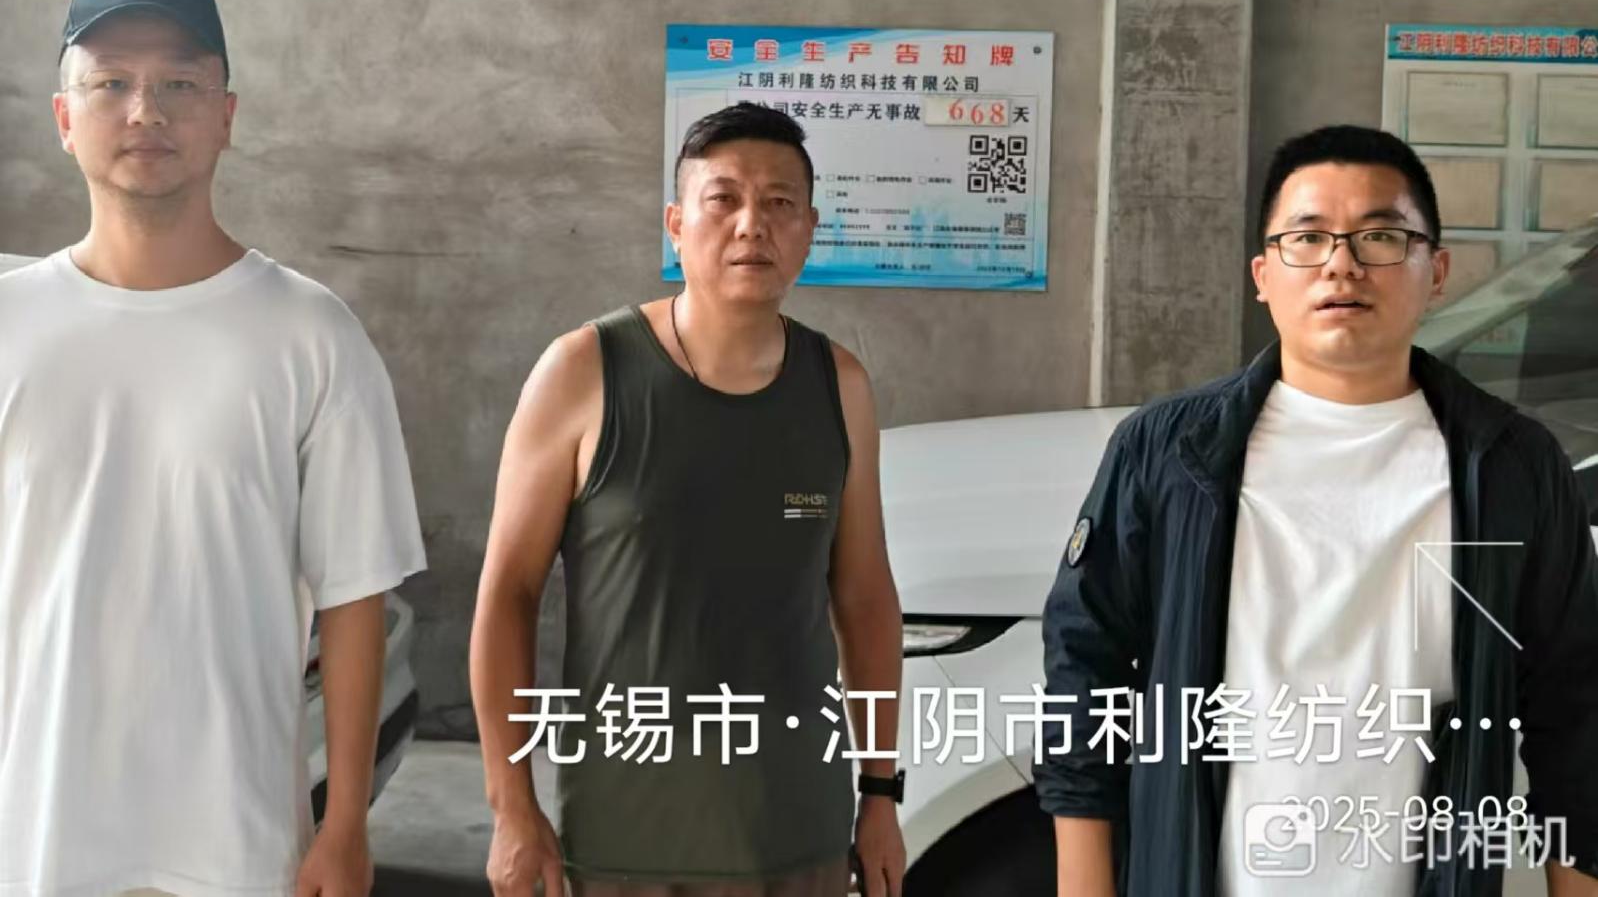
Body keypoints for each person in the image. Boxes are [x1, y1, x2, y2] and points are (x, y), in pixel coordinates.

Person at [1038, 125, 1598, 895]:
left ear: (1436, 271)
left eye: (1380, 236)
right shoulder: (1167, 453)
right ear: (1263, 275)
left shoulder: (1510, 465)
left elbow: (1575, 707)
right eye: (1307, 238)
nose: (1342, 264)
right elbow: (1086, 665)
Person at [0, 0, 427, 897]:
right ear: (64, 118)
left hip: (238, 839)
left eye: (180, 84)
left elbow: (355, 597)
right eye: (111, 83)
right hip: (35, 831)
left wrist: (345, 825)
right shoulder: (9, 325)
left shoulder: (312, 335)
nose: (145, 110)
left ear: (226, 115)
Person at [470, 102, 906, 897]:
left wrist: (879, 794)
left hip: (798, 840)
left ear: (810, 230)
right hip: (622, 846)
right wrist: (511, 805)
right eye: (724, 199)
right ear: (676, 224)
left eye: (780, 202)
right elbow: (509, 594)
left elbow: (866, 597)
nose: (752, 225)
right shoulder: (585, 371)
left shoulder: (839, 386)